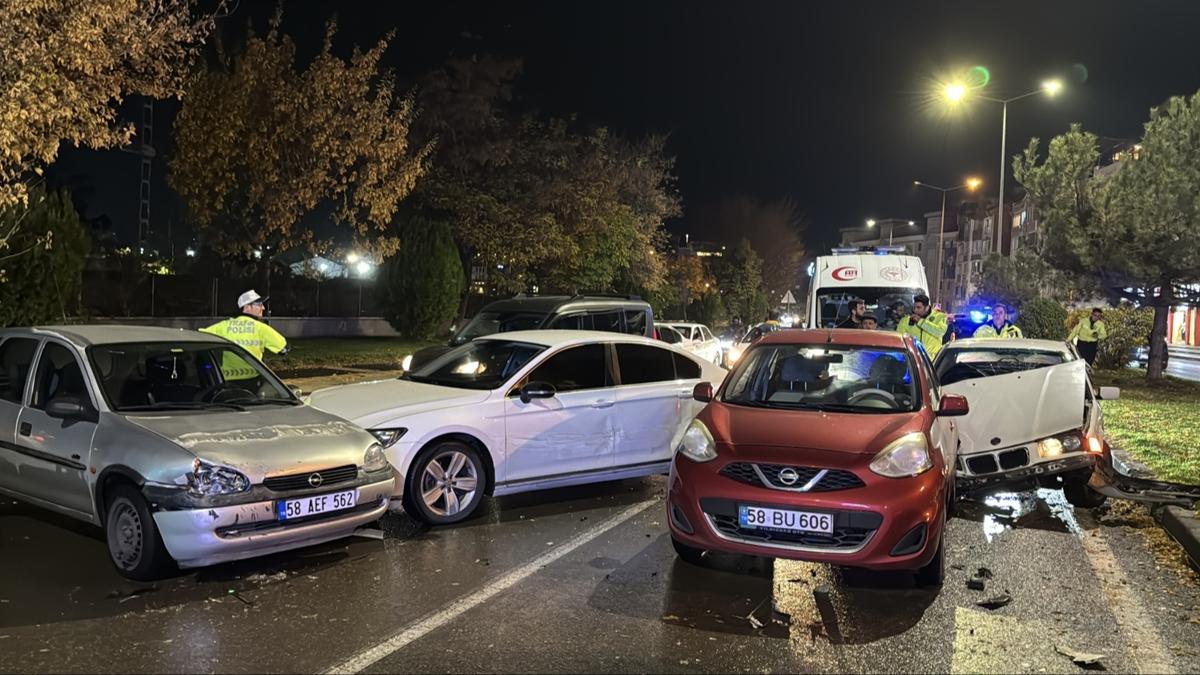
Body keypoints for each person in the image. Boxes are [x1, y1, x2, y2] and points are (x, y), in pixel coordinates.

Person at [201, 290, 289, 382]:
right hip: (252, 379)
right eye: (258, 304)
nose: (263, 308)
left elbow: (199, 337)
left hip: (226, 379)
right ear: (247, 307)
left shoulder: (223, 326)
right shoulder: (260, 328)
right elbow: (283, 349)